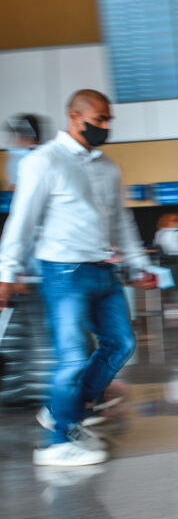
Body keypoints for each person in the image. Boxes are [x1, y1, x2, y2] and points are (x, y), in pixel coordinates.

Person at [0, 89, 156, 467]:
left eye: (108, 120)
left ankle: (62, 409)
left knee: (120, 344)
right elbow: (23, 219)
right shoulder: (43, 161)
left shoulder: (108, 167)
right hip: (64, 272)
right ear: (75, 116)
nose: (106, 126)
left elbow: (121, 220)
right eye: (99, 119)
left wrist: (137, 264)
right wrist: (6, 271)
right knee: (71, 357)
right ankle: (58, 441)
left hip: (104, 270)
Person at [4, 113, 45, 189]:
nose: (16, 139)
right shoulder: (48, 153)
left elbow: (15, 189)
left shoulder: (16, 156)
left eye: (18, 135)